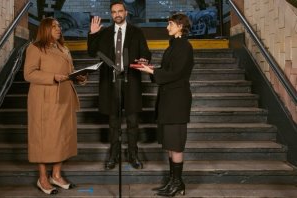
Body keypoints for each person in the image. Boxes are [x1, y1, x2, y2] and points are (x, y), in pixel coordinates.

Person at [24, 17, 86, 195]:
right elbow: (29, 74)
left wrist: (78, 76)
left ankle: (56, 175)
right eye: (54, 26)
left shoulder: (63, 48)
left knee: (62, 136)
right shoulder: (35, 48)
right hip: (44, 99)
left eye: (59, 26)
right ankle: (43, 178)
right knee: (43, 138)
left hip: (64, 97)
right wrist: (53, 76)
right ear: (45, 29)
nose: (58, 29)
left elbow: (68, 71)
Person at [134, 13, 194, 197]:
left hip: (177, 101)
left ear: (180, 26)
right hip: (170, 100)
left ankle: (176, 183)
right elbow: (168, 71)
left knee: (175, 144)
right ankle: (174, 182)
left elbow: (175, 73)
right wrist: (150, 68)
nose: (167, 27)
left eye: (170, 24)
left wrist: (151, 71)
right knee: (170, 143)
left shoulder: (184, 46)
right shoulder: (175, 45)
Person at [87, 0, 151, 170]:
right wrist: (93, 34)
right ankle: (113, 156)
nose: (117, 14)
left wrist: (144, 59)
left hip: (131, 83)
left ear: (126, 12)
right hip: (111, 83)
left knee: (132, 122)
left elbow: (146, 53)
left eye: (120, 11)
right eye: (114, 12)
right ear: (111, 14)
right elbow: (92, 52)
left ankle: (133, 154)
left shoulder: (136, 32)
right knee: (113, 123)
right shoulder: (105, 33)